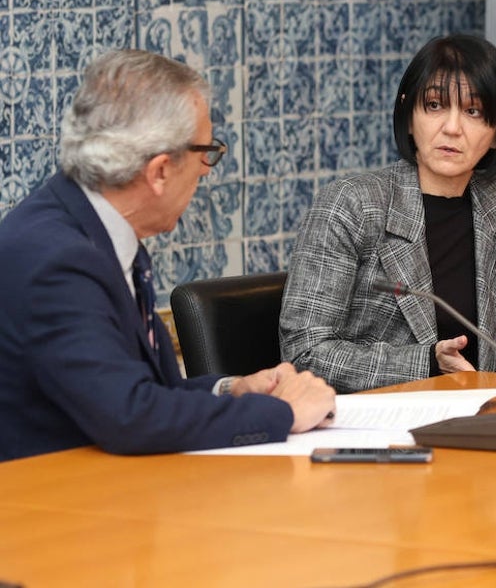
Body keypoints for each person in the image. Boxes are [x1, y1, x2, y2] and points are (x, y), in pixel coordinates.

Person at [0, 49, 336, 461]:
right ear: (159, 170)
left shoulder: (97, 229)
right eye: (205, 153)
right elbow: (130, 416)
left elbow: (149, 390)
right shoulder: (56, 259)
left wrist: (234, 389)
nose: (207, 170)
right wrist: (282, 412)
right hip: (47, 507)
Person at [280, 34, 496, 393]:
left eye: (473, 111)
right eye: (434, 105)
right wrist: (426, 364)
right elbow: (304, 352)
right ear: (408, 115)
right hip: (375, 425)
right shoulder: (351, 205)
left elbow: (493, 340)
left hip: (474, 417)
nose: (452, 127)